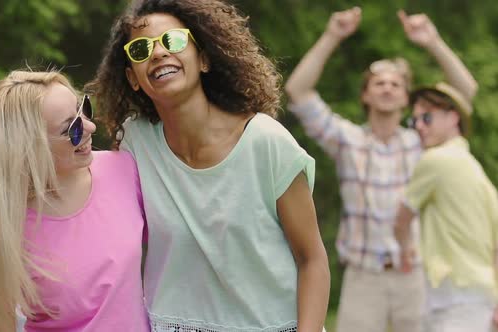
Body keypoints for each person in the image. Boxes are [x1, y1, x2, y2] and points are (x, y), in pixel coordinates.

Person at [86, 0, 330, 331]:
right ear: (133, 78)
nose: (158, 54)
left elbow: (312, 259)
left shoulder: (266, 142)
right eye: (141, 49)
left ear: (203, 58)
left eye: (173, 40)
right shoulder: (134, 144)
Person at [284, 7, 478, 332]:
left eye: (395, 84)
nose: (387, 88)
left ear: (405, 98)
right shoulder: (347, 140)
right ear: (366, 95)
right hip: (364, 277)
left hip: (415, 273)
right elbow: (298, 92)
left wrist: (432, 42)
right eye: (379, 83)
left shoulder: (422, 142)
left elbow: (466, 93)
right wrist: (333, 35)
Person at [0, 70, 149, 332]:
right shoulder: (5, 226)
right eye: (71, 129)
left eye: (83, 109)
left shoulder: (125, 170)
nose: (90, 127)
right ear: (30, 146)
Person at [394, 82, 498, 332]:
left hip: (453, 302)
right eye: (414, 121)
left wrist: (405, 247)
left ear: (453, 117)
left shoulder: (435, 159)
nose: (418, 126)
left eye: (427, 117)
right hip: (480, 300)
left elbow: (401, 219)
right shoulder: (478, 172)